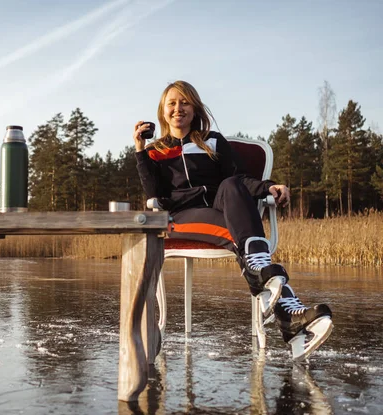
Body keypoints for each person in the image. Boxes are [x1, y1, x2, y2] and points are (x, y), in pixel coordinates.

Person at [133, 80, 333, 361]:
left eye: (185, 102)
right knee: (244, 239)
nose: (178, 108)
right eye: (172, 103)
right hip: (180, 217)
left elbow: (238, 180)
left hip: (219, 207)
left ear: (195, 107)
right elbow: (154, 194)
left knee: (230, 186)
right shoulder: (156, 151)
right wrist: (140, 150)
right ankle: (290, 314)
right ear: (162, 112)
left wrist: (269, 187)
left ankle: (287, 314)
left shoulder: (212, 140)